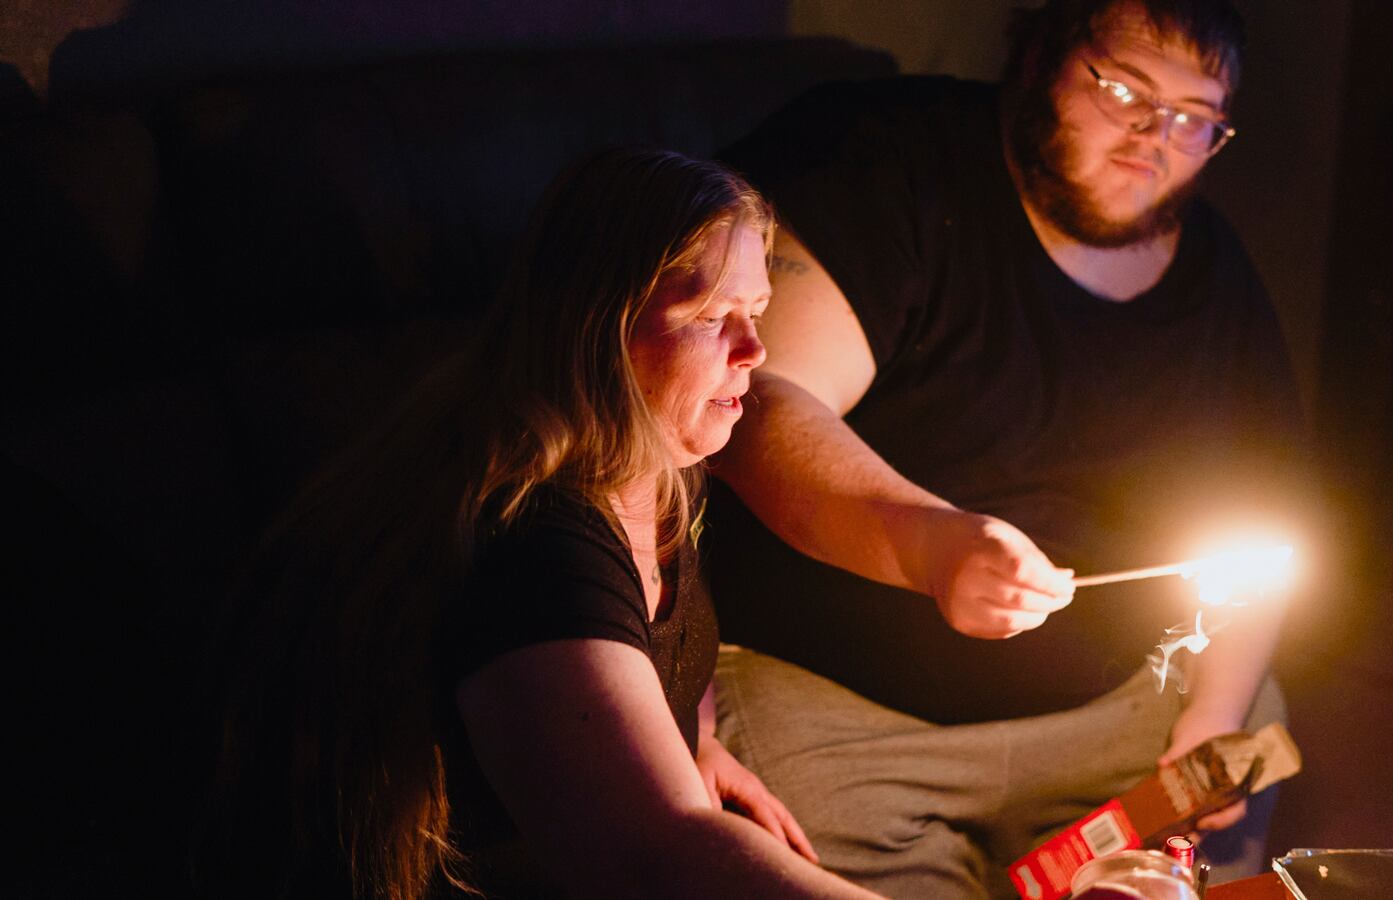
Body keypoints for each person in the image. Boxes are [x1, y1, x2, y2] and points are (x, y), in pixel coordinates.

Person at [703, 0, 1309, 895]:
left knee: (1246, 736)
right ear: (1039, 59)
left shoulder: (1215, 275)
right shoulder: (883, 162)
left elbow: (1272, 512)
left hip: (1121, 718)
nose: (1153, 135)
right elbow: (761, 404)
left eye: (1194, 118)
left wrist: (1213, 720)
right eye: (1123, 88)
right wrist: (934, 544)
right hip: (841, 722)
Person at [197, 148, 885, 900]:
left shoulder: (654, 457)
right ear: (599, 321)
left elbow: (660, 647)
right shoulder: (533, 539)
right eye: (712, 316)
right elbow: (657, 858)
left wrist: (694, 743)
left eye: (753, 313)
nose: (755, 351)